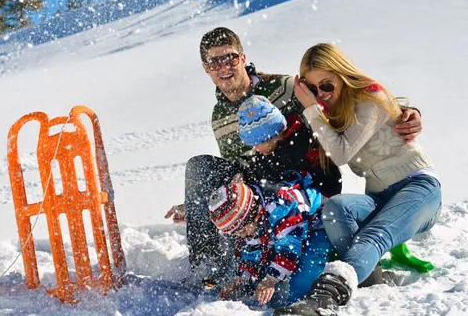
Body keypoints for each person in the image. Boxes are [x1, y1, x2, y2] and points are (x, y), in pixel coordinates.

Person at [164, 27, 424, 281]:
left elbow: (338, 98)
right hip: (259, 183)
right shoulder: (220, 118)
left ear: (242, 58)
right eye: (214, 61)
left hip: (302, 181)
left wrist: (404, 111)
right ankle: (207, 267)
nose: (224, 66)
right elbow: (236, 167)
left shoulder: (284, 87)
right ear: (206, 68)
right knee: (200, 166)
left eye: (229, 57)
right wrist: (201, 202)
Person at [273, 43, 442, 316]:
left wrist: (310, 108)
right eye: (313, 89)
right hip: (380, 196)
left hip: (419, 187)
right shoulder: (333, 113)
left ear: (342, 75)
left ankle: (322, 300)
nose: (321, 95)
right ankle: (371, 278)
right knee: (336, 208)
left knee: (374, 236)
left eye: (327, 85)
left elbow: (340, 153)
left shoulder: (368, 96)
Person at [208, 173, 330, 307]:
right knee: (262, 272)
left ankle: (300, 306)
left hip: (321, 223)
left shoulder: (281, 209)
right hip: (288, 231)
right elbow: (253, 248)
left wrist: (271, 279)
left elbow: (290, 248)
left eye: (241, 231)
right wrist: (240, 280)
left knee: (301, 278)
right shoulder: (255, 213)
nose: (241, 236)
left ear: (250, 216)